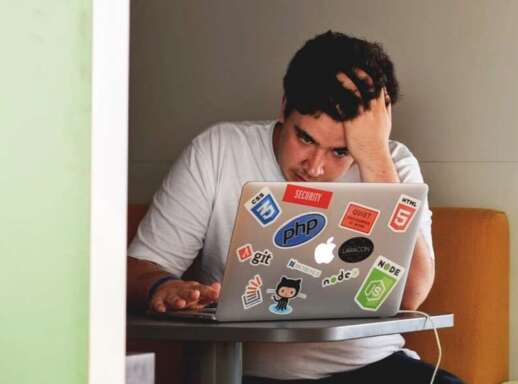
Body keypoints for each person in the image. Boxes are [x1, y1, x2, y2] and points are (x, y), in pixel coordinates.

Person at [126, 30, 463, 384]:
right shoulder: (219, 151)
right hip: (243, 372)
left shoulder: (392, 164)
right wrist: (161, 286)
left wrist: (375, 157)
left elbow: (412, 296)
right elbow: (138, 269)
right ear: (284, 106)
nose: (314, 168)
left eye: (340, 151)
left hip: (372, 367)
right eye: (305, 138)